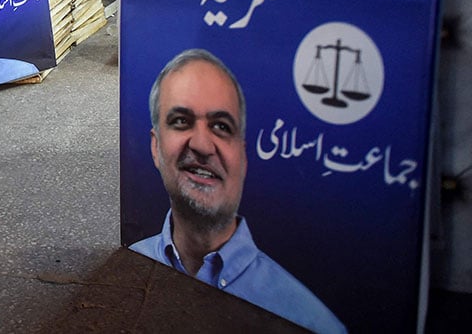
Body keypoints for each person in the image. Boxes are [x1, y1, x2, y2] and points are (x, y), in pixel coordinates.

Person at [129, 49, 346, 334]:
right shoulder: (128, 272)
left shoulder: (309, 322)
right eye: (181, 121)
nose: (203, 146)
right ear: (156, 148)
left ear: (242, 159)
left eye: (221, 126)